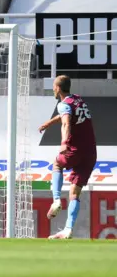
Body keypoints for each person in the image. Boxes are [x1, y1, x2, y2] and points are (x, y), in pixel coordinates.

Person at [38, 75, 96, 239]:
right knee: (75, 193)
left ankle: (56, 200)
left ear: (57, 88)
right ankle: (68, 229)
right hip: (90, 153)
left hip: (75, 149)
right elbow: (64, 116)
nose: (53, 89)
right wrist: (48, 123)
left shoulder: (63, 104)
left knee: (57, 164)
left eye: (54, 87)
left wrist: (64, 142)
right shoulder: (78, 100)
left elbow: (66, 122)